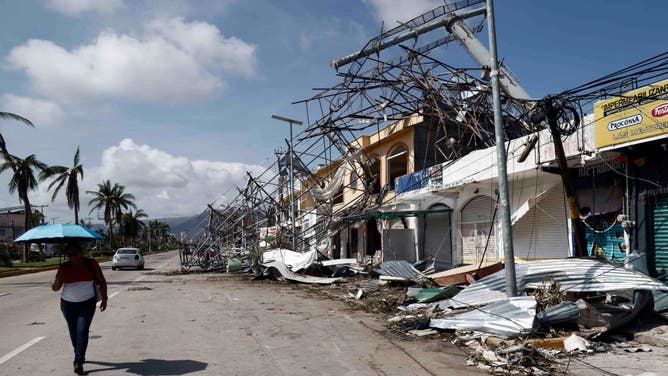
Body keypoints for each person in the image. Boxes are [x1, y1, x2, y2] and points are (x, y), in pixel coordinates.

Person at [51, 242, 108, 375]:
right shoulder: (64, 267)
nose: (72, 257)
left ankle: (78, 361)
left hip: (87, 303)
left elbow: (101, 281)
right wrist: (56, 282)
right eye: (69, 254)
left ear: (81, 253)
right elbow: (55, 288)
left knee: (82, 330)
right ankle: (79, 352)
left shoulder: (91, 264)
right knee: (73, 332)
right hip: (67, 305)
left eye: (74, 254)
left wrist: (104, 298)